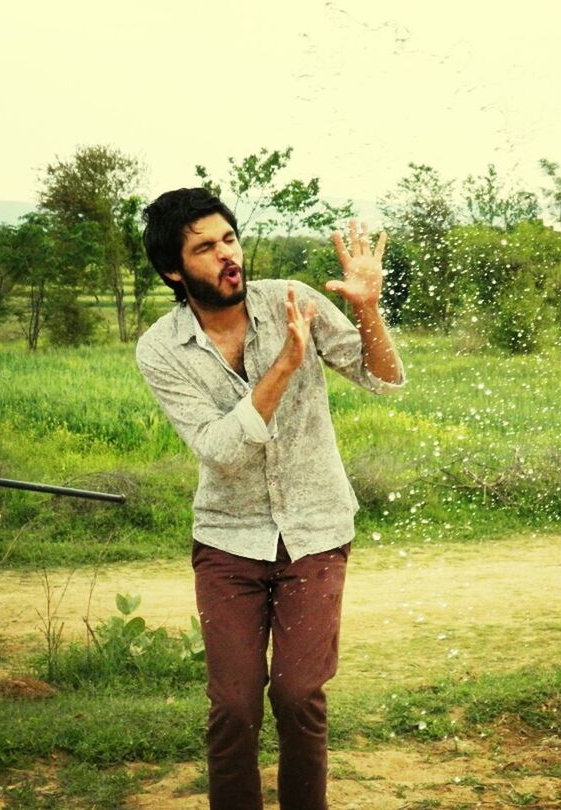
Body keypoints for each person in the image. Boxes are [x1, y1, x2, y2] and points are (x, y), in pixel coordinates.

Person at [136, 187, 405, 810]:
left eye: (228, 238)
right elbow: (221, 449)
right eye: (205, 248)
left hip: (315, 531)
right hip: (228, 538)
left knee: (297, 693)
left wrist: (368, 308)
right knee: (233, 704)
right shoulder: (160, 349)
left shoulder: (295, 302)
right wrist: (282, 367)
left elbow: (385, 378)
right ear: (174, 270)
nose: (227, 255)